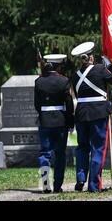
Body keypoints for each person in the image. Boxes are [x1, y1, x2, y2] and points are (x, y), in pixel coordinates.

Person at [70, 42, 112, 192]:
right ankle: (94, 185)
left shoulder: (75, 75)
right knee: (98, 148)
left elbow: (78, 96)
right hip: (98, 113)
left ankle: (81, 177)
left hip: (82, 114)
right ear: (91, 57)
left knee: (82, 148)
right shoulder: (100, 69)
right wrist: (110, 66)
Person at [34, 54, 74, 193]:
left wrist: (43, 115)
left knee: (45, 153)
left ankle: (45, 183)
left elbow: (37, 104)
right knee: (60, 154)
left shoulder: (39, 81)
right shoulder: (64, 80)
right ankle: (57, 186)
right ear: (59, 65)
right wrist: (70, 120)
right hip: (60, 121)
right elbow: (68, 102)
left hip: (45, 121)